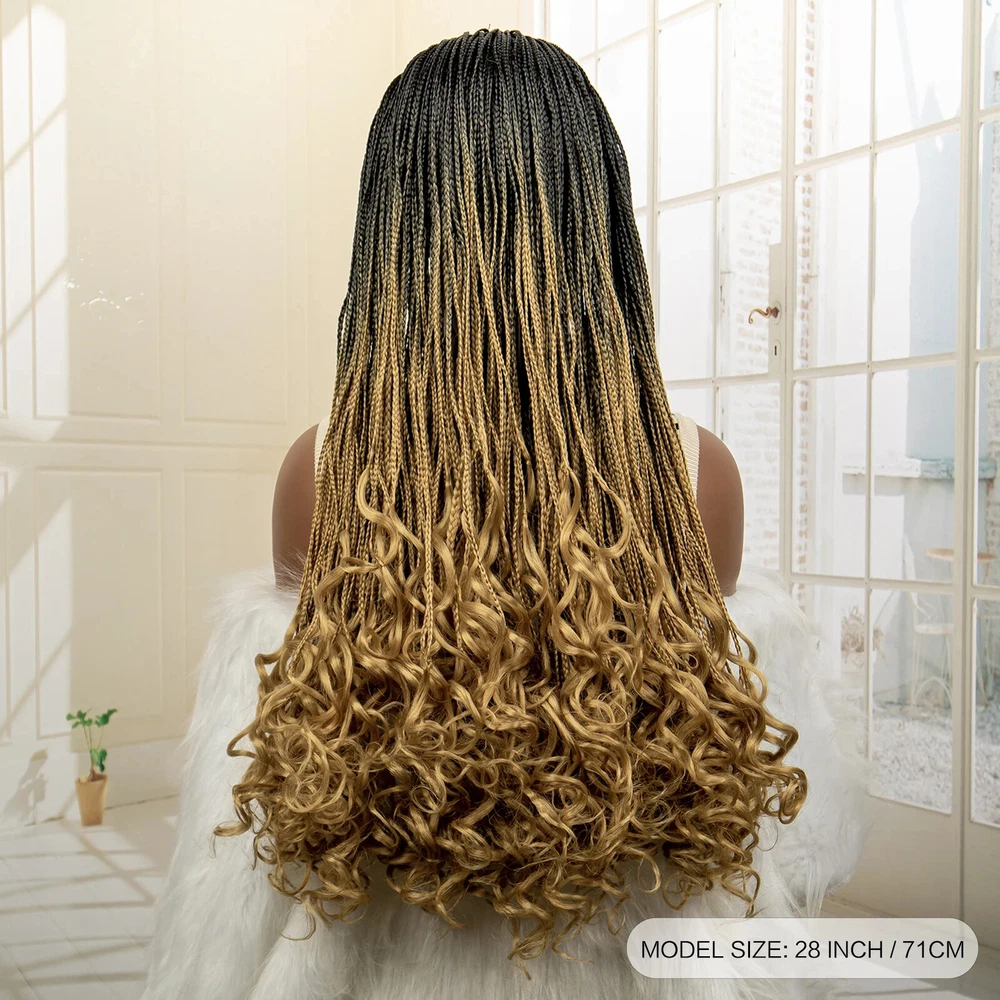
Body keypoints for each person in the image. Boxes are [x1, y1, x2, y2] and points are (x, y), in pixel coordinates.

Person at [142, 29, 869, 1000]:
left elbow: (262, 842)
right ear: (594, 217)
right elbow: (734, 839)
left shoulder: (322, 473)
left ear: (397, 225)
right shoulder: (696, 479)